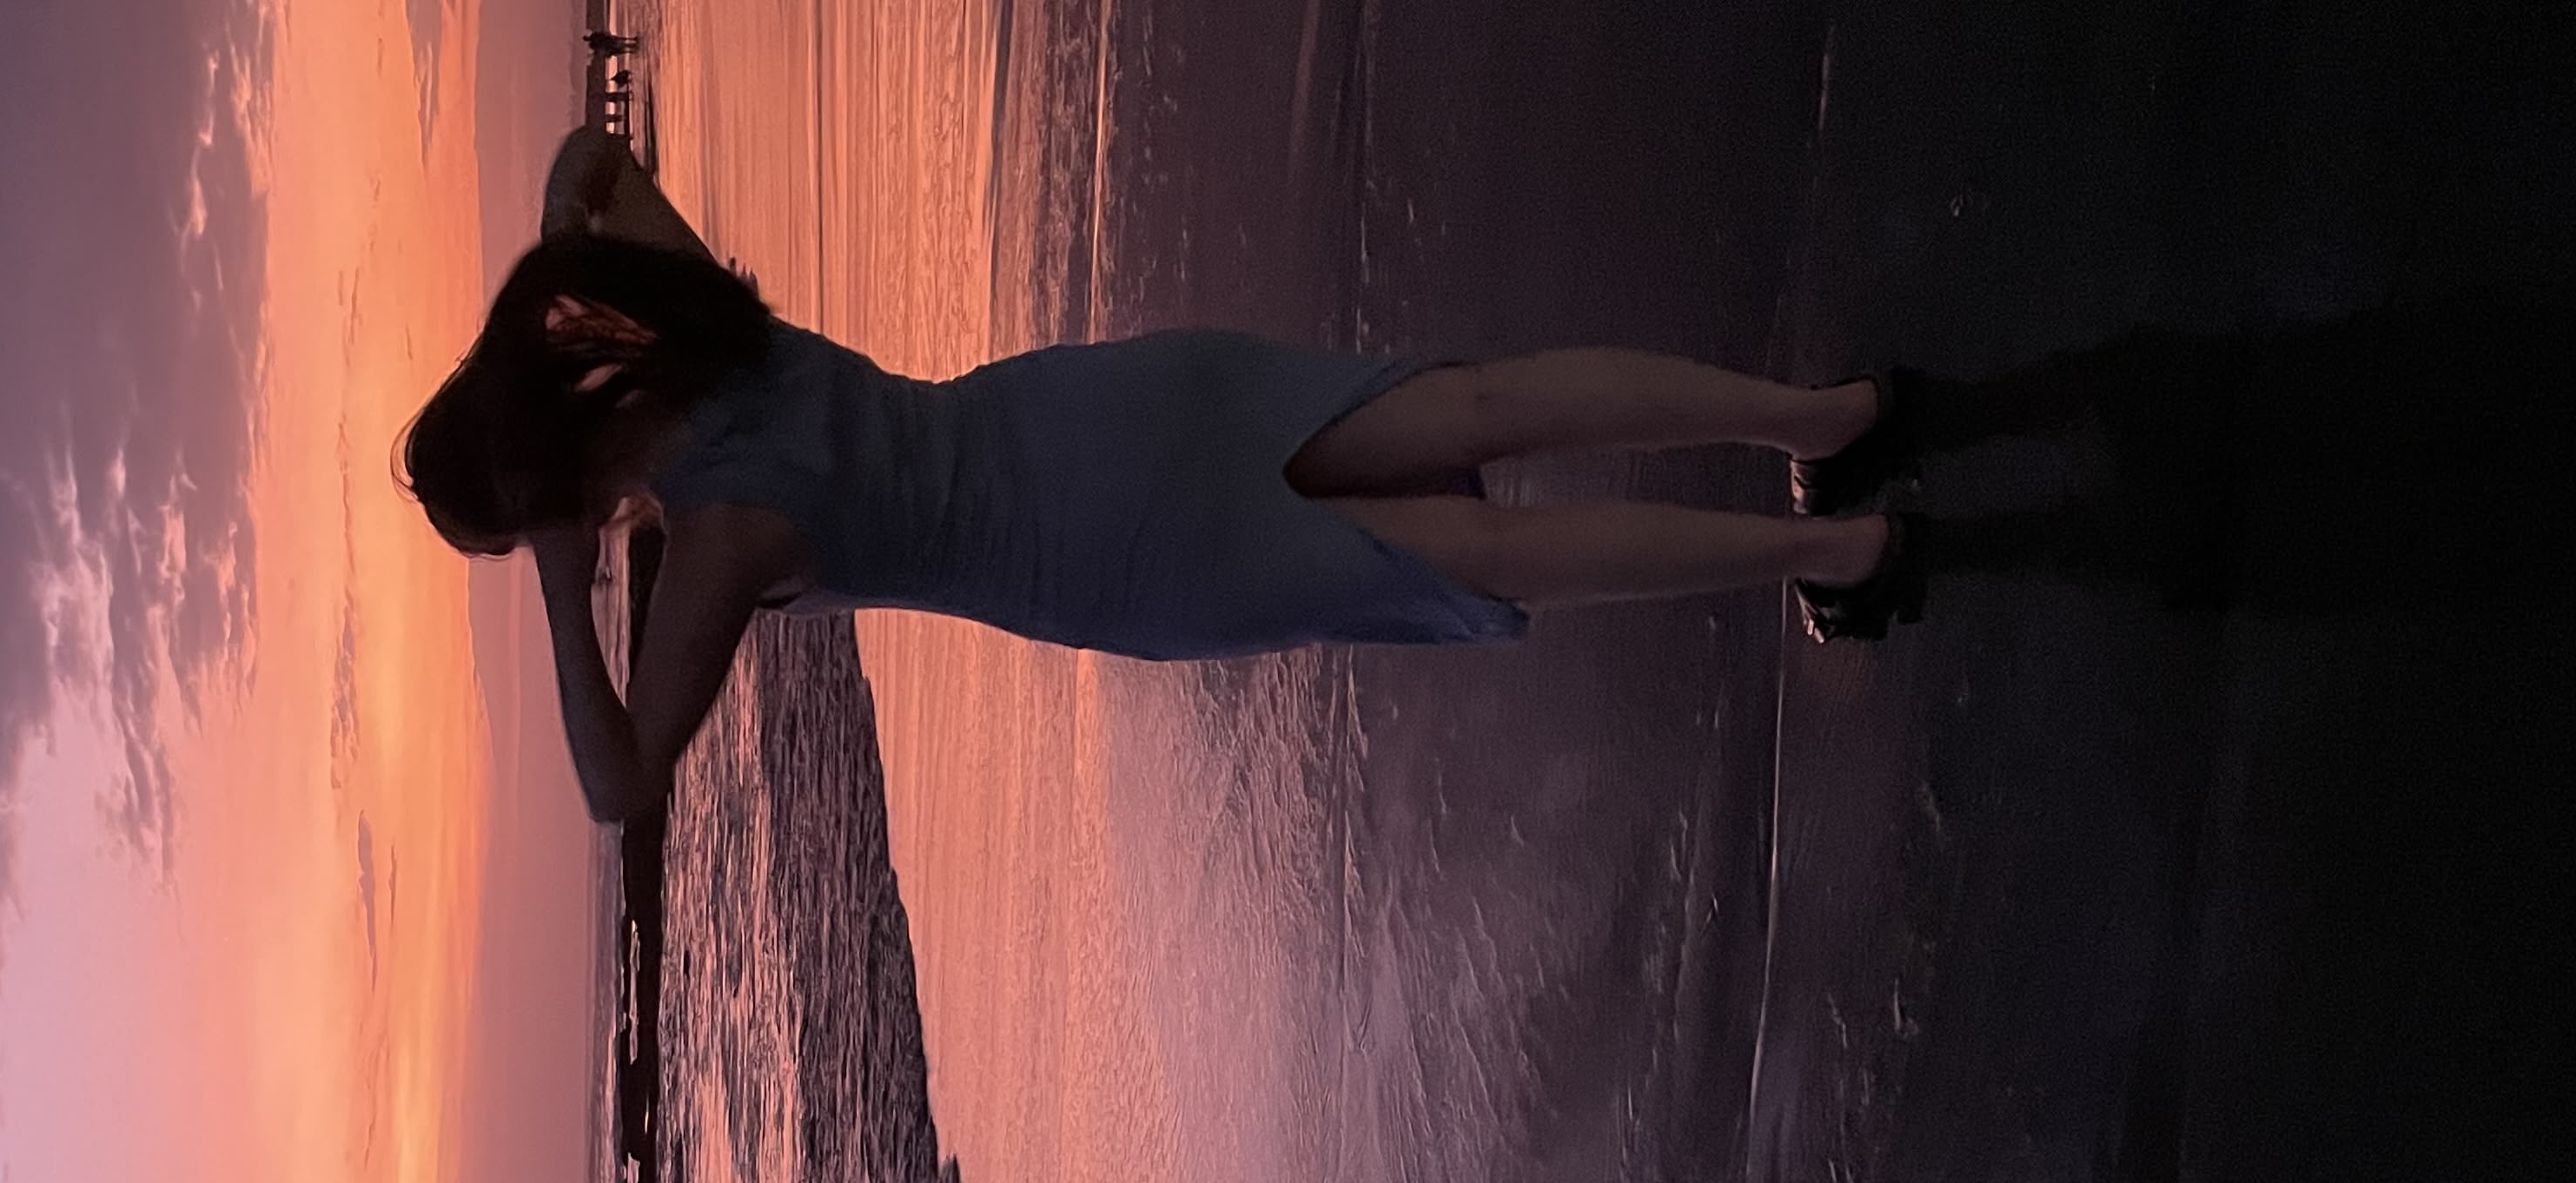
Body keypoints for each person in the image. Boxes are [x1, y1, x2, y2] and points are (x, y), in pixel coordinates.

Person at [405, 128, 1928, 824]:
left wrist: (555, 578)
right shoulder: (697, 341)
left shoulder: (718, 538)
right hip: (1103, 408)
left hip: (1112, 556)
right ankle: (1824, 414)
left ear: (549, 490)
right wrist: (540, 301)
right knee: (1478, 404)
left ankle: (1836, 560)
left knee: (1477, 561)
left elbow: (618, 789)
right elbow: (577, 172)